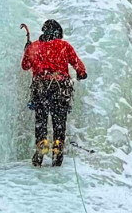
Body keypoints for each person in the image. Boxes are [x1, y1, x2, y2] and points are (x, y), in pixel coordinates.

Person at [21, 19, 87, 167]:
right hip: (60, 87)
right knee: (59, 121)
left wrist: (27, 49)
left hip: (41, 87)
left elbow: (25, 66)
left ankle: (41, 144)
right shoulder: (64, 46)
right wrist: (81, 73)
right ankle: (57, 148)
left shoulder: (35, 46)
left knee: (41, 119)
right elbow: (76, 62)